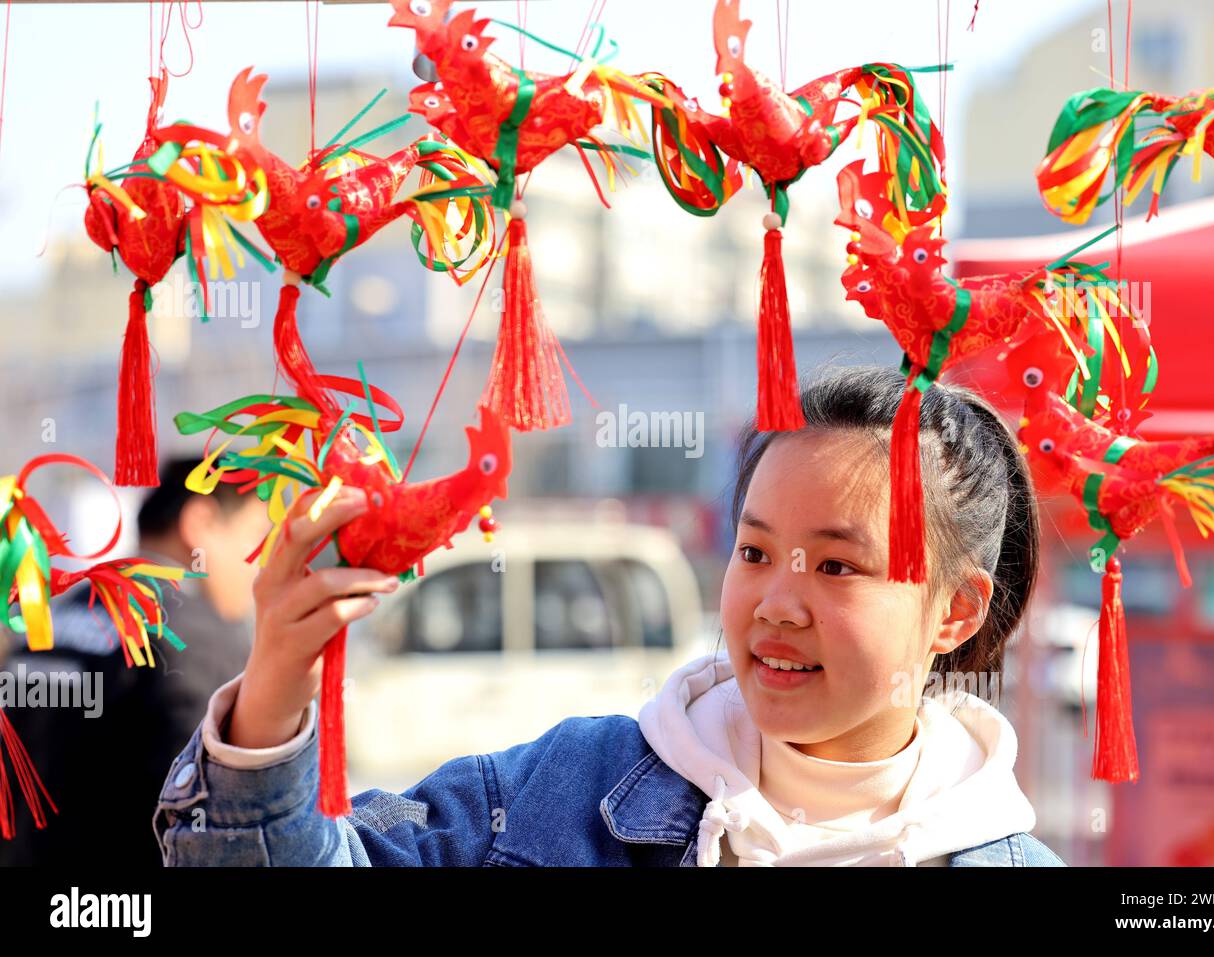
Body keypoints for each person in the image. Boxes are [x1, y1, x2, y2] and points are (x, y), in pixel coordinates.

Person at [153, 367, 1067, 866]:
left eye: (837, 565)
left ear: (953, 612)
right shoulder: (556, 797)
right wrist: (276, 685)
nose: (777, 601)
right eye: (753, 552)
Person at [0, 457, 268, 866]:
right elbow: (219, 823)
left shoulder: (59, 614)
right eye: (257, 538)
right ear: (200, 522)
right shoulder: (192, 634)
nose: (261, 566)